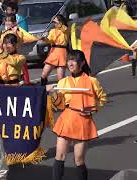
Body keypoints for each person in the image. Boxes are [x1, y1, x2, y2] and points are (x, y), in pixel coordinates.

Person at [46, 50, 106, 180]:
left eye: (74, 60)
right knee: (59, 156)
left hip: (83, 120)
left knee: (78, 159)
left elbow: (102, 99)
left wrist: (92, 109)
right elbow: (60, 106)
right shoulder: (63, 82)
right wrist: (53, 93)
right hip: (67, 119)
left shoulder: (92, 81)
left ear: (82, 62)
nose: (70, 63)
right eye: (68, 60)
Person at [40, 14, 68, 85]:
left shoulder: (65, 29)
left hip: (62, 52)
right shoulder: (52, 31)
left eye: (56, 22)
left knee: (60, 78)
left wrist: (57, 22)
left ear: (61, 22)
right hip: (53, 52)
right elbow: (49, 40)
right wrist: (44, 39)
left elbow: (65, 29)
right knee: (44, 74)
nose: (55, 24)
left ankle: (62, 92)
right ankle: (43, 89)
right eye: (54, 23)